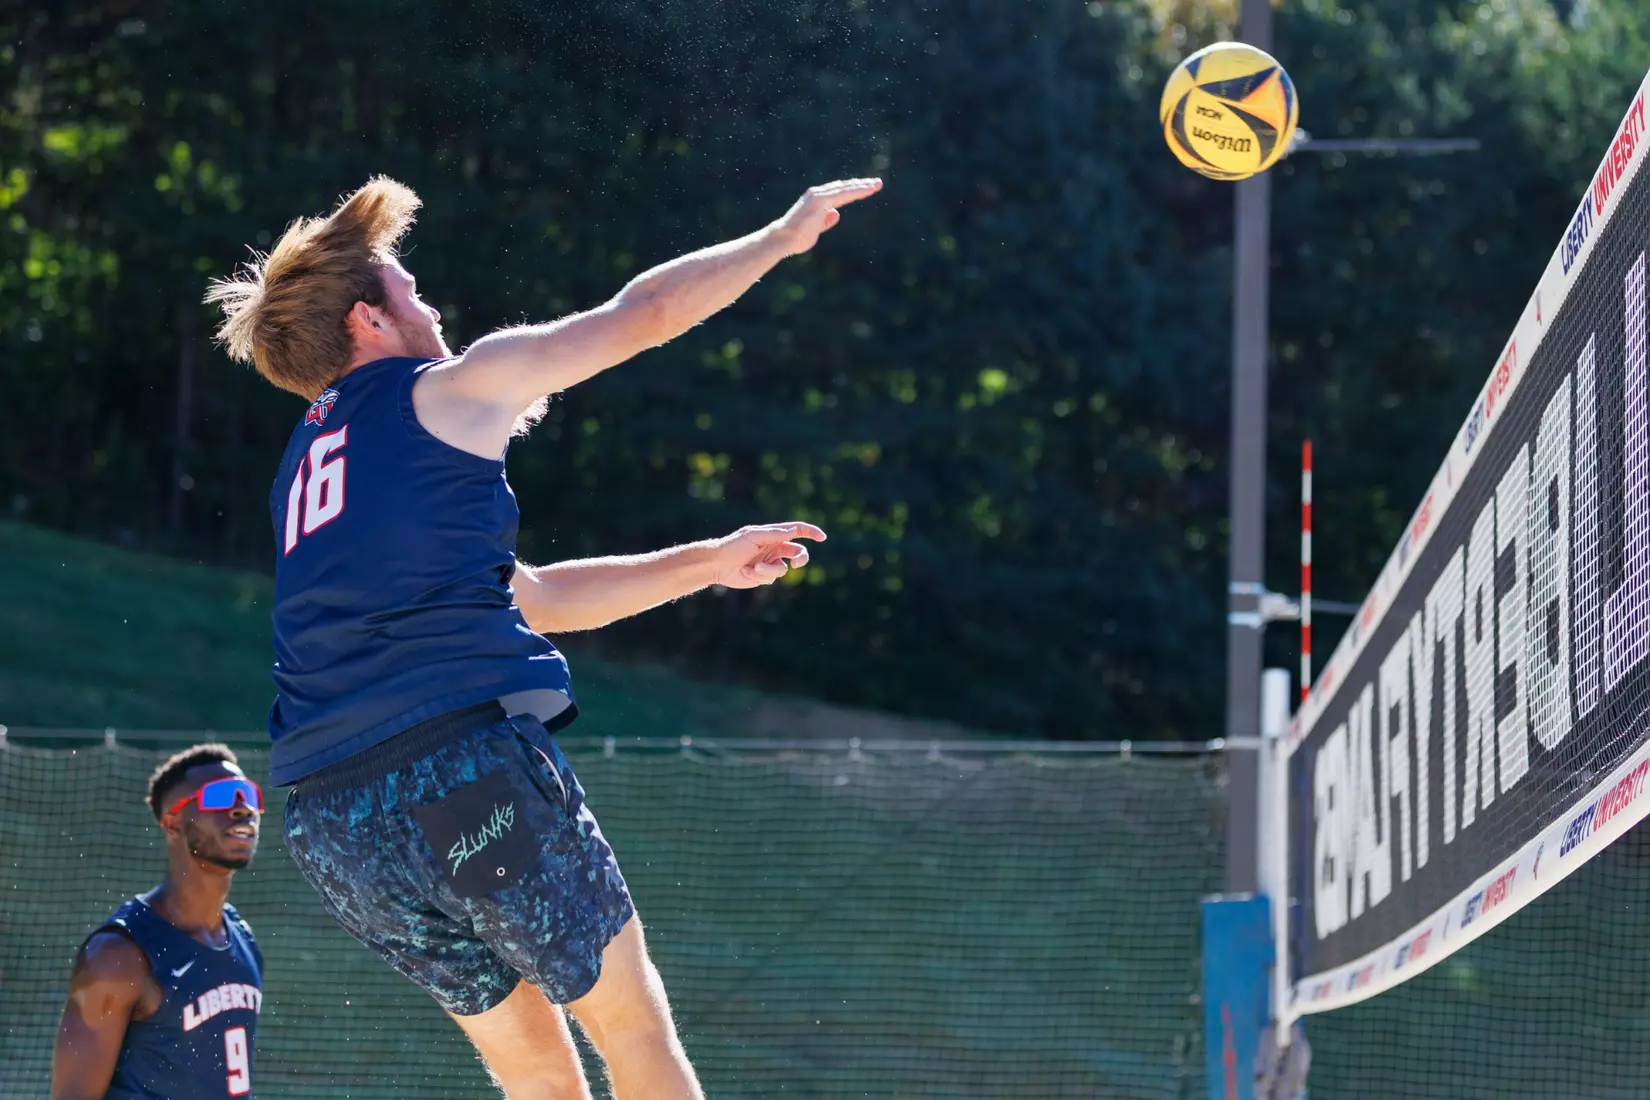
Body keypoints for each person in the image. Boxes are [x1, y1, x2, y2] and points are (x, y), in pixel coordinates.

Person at [204, 173, 880, 1099]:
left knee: (539, 1083)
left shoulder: (306, 473)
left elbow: (530, 597)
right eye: (408, 287)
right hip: (455, 770)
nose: (428, 302)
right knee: (633, 1030)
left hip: (333, 825)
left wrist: (708, 561)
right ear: (367, 318)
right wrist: (777, 239)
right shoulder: (444, 390)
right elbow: (639, 313)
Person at [51, 744, 265, 1100]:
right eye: (221, 796)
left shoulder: (243, 941)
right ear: (172, 824)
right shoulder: (119, 955)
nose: (243, 808)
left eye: (250, 796)